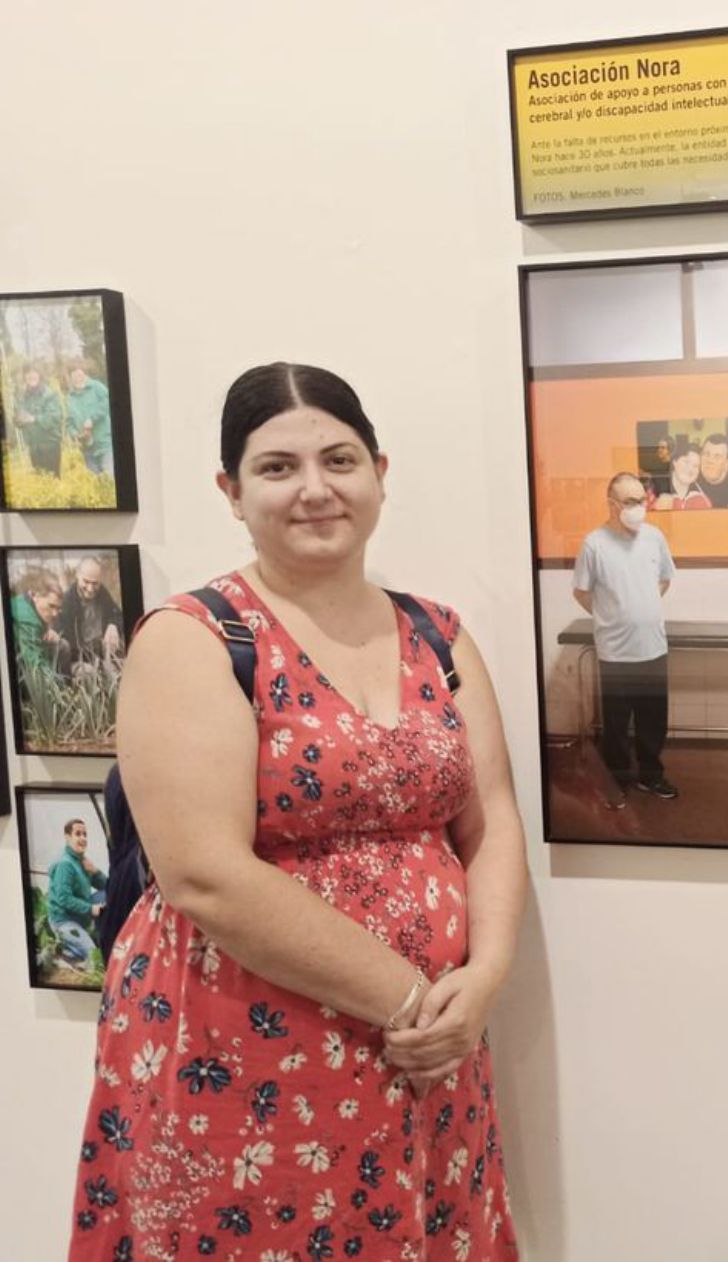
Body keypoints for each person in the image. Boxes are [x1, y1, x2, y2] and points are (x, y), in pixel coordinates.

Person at [67, 362, 527, 1257]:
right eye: (278, 468)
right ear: (231, 492)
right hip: (248, 1043)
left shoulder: (437, 632)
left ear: (380, 474)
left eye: (340, 460)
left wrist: (486, 977)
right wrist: (407, 1000)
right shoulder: (196, 639)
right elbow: (205, 876)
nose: (315, 490)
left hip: (434, 1043)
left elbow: (491, 817)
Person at [574, 472, 678, 809]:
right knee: (616, 725)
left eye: (642, 500)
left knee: (653, 719)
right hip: (615, 651)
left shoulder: (654, 538)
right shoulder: (594, 544)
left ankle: (651, 776)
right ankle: (616, 782)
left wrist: (642, 605)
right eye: (631, 501)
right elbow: (581, 591)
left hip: (653, 646)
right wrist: (612, 615)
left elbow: (664, 579)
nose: (639, 507)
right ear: (612, 504)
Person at [46, 818, 106, 969]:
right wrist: (91, 909)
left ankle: (82, 941)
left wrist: (95, 870)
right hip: (64, 921)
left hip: (80, 917)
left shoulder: (82, 861)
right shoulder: (65, 864)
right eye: (77, 834)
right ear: (67, 837)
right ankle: (66, 952)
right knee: (94, 955)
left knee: (107, 894)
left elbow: (108, 886)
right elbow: (64, 899)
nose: (83, 838)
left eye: (85, 834)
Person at [57, 556, 125, 672]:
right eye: (86, 581)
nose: (90, 588)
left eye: (95, 583)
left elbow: (118, 614)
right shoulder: (67, 602)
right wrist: (98, 665)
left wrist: (113, 625)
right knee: (88, 673)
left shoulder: (102, 592)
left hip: (102, 651)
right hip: (79, 659)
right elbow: (67, 645)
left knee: (124, 665)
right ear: (77, 575)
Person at [9, 575, 67, 676]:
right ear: (34, 595)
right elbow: (37, 667)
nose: (55, 613)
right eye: (51, 606)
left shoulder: (27, 602)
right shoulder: (27, 620)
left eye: (58, 608)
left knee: (62, 645)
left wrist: (46, 629)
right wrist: (62, 689)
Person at [14, 365, 66, 476]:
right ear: (24, 376)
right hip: (34, 447)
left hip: (50, 445)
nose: (31, 376)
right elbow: (18, 418)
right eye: (28, 373)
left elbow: (55, 417)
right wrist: (18, 420)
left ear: (39, 375)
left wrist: (33, 419)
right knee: (40, 481)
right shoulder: (22, 397)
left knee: (53, 481)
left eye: (34, 372)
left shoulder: (49, 394)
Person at [66, 362, 115, 477]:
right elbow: (69, 423)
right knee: (95, 482)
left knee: (110, 479)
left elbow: (107, 402)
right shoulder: (70, 397)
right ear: (70, 378)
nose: (77, 378)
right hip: (87, 449)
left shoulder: (96, 387)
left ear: (84, 373)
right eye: (73, 376)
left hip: (104, 443)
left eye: (79, 374)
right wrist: (75, 435)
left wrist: (92, 419)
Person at [651, 436, 712, 511]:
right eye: (686, 462)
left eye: (696, 466)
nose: (690, 469)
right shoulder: (654, 487)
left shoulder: (701, 497)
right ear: (674, 462)